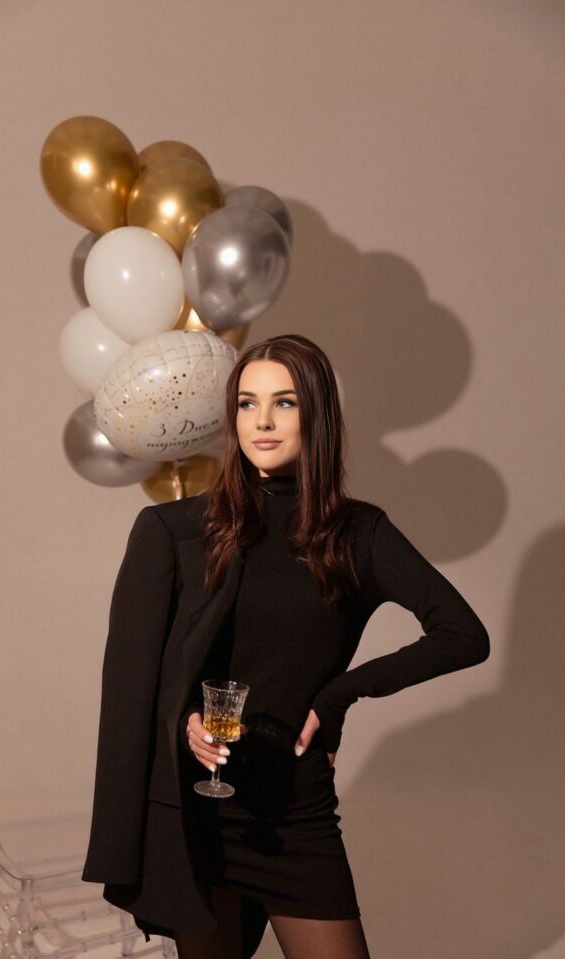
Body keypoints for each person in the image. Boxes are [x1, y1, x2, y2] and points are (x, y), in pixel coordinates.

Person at [82, 333, 490, 959]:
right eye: (247, 403)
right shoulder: (175, 530)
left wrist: (339, 695)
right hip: (201, 811)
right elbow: (134, 686)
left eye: (285, 402)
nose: (262, 421)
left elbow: (463, 634)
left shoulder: (357, 534)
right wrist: (186, 721)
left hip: (297, 811)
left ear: (316, 414)